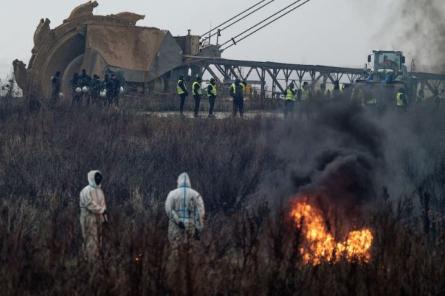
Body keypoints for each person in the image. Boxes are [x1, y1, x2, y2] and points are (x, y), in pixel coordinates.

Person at [165, 172, 205, 249]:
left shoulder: (172, 194)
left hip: (175, 228)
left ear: (178, 181)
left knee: (176, 250)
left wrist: (178, 220)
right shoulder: (196, 194)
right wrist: (198, 228)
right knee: (191, 252)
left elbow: (169, 210)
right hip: (191, 227)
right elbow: (200, 213)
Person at [79, 170, 107, 261]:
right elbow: (89, 204)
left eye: (99, 177)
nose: (98, 179)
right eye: (96, 177)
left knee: (99, 238)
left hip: (99, 217)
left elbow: (103, 205)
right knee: (90, 238)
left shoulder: (100, 191)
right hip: (88, 217)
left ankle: (97, 258)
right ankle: (89, 259)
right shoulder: (86, 191)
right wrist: (101, 210)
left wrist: (104, 218)